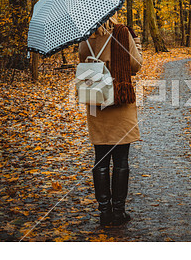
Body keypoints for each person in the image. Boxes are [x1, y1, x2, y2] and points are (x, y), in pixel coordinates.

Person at [78, 14, 143, 226]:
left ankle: (104, 211)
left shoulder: (86, 38)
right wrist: (138, 47)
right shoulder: (122, 32)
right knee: (121, 159)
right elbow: (135, 66)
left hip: (97, 101)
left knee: (101, 158)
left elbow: (83, 62)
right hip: (120, 99)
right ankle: (118, 211)